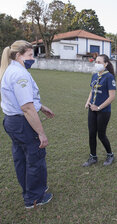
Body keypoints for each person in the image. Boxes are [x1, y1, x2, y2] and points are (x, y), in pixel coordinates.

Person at [0, 40, 54, 208]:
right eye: (30, 55)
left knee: (22, 158)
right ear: (18, 55)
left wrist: (41, 106)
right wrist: (41, 133)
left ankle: (31, 189)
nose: (33, 58)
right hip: (22, 122)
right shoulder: (19, 74)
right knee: (34, 158)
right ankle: (34, 198)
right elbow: (27, 107)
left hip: (12, 121)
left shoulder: (11, 70)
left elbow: (24, 100)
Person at [83, 54, 116, 167]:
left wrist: (98, 107)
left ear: (106, 64)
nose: (96, 64)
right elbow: (92, 90)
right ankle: (93, 157)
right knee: (92, 133)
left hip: (103, 111)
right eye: (96, 62)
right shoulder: (94, 75)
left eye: (99, 62)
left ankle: (110, 155)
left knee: (101, 135)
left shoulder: (109, 77)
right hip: (92, 109)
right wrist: (88, 101)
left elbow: (112, 97)